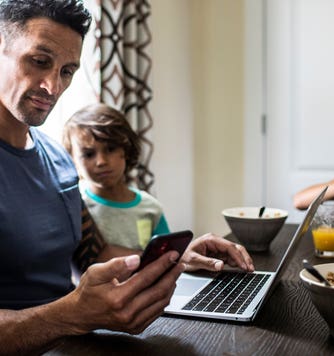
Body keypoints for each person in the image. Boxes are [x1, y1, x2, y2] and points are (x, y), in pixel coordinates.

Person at [0, 0, 254, 354]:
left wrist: (172, 259)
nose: (53, 87)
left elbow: (93, 255)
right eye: (40, 61)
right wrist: (70, 316)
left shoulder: (58, 158)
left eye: (67, 71)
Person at [62, 103, 170, 257]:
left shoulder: (151, 208)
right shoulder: (76, 205)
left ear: (126, 149)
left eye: (110, 149)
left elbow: (167, 257)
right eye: (88, 154)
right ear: (72, 159)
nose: (101, 161)